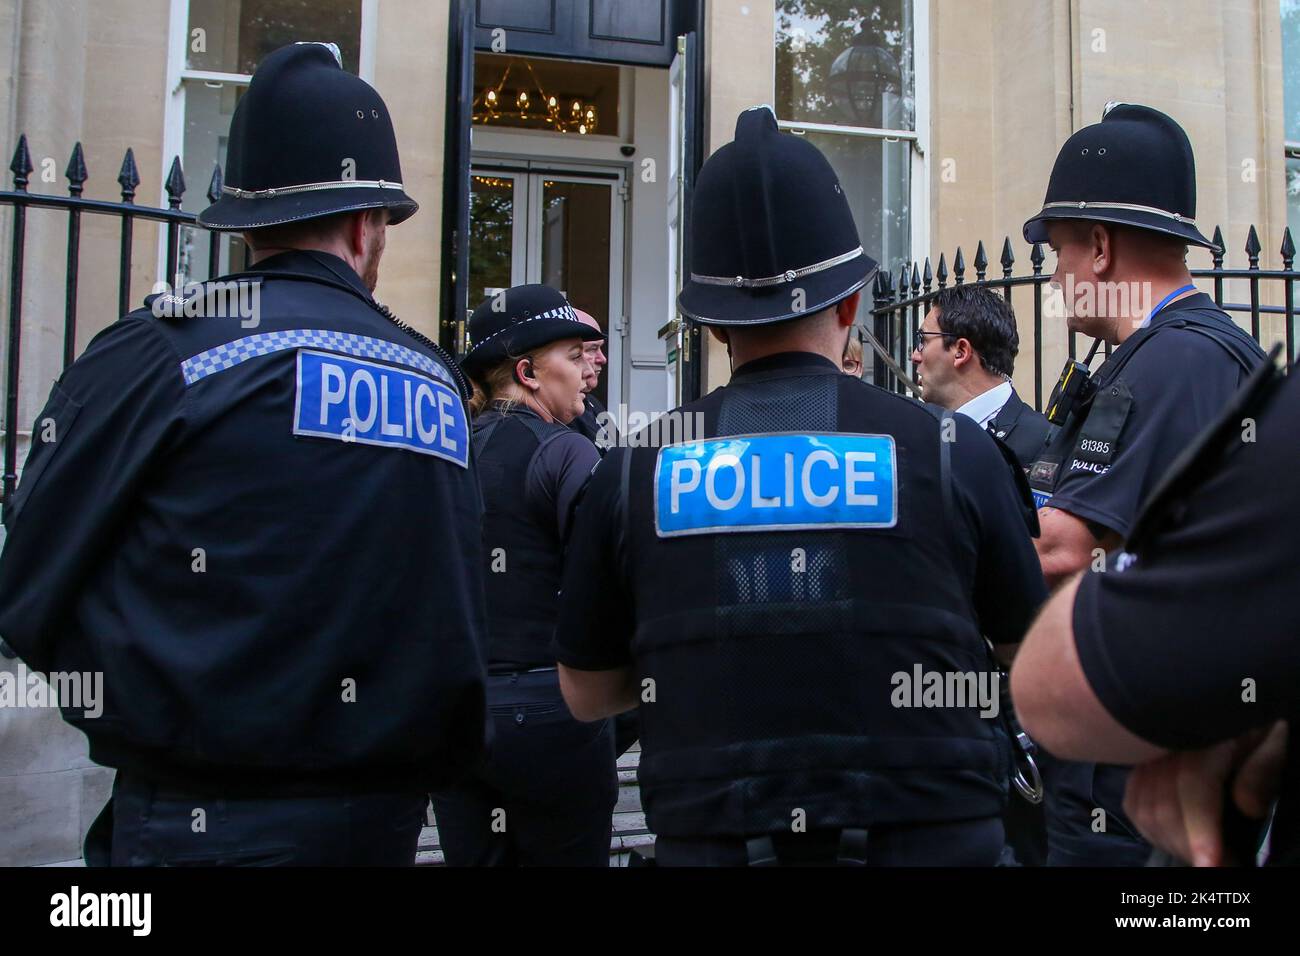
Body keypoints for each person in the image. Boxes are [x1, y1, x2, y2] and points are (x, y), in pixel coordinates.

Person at [0, 43, 487, 866]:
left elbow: (32, 572)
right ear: (367, 224)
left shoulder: (162, 348)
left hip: (195, 817)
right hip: (380, 824)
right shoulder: (437, 382)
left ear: (244, 219)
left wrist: (141, 698)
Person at [551, 105, 1048, 867]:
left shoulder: (631, 470)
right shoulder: (956, 454)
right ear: (851, 303)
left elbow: (588, 694)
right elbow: (1028, 654)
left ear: (713, 326)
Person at [1020, 102, 1268, 866]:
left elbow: (1063, 549)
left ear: (1099, 247)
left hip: (1129, 777)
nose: (1057, 277)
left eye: (1060, 253)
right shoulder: (1187, 355)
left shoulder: (1173, 362)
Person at [1012, 351, 1296, 866]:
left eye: (1061, 265)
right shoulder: (1240, 362)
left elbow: (1050, 676)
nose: (1056, 284)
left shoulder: (1172, 365)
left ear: (1101, 262)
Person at [429, 284, 616, 867]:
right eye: (573, 355)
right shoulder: (566, 453)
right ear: (530, 371)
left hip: (456, 709)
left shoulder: (442, 450)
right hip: (549, 706)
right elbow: (610, 576)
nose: (589, 367)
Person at [910, 284, 1053, 470]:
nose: (914, 356)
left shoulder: (1048, 442)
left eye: (923, 341)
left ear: (961, 351)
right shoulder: (927, 434)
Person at [569, 309, 617, 452]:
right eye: (592, 349)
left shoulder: (592, 403)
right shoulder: (562, 411)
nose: (602, 359)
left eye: (600, 348)